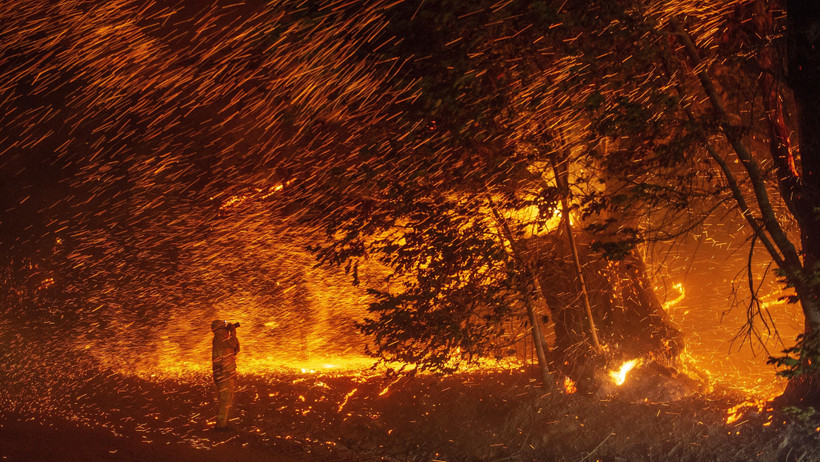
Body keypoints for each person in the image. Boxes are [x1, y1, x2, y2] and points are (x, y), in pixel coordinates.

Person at [211, 320, 240, 430]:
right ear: (220, 330)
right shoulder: (219, 339)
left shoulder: (224, 340)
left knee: (228, 399)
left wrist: (233, 334)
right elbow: (232, 344)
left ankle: (223, 423)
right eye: (225, 329)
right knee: (225, 399)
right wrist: (233, 332)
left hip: (227, 373)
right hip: (223, 373)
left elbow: (236, 348)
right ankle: (221, 426)